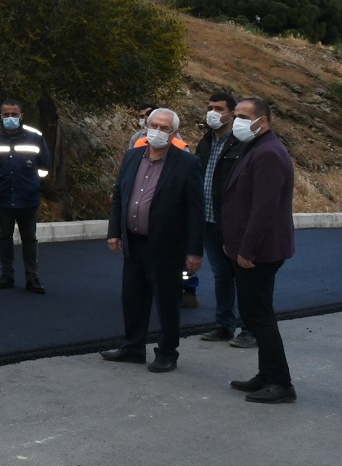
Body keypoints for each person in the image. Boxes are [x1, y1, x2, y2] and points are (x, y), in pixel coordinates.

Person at [100, 108, 205, 372]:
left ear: (174, 134)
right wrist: (114, 231)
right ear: (146, 126)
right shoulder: (133, 155)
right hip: (134, 242)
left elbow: (195, 210)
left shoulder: (187, 163)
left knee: (167, 301)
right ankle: (133, 346)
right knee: (133, 297)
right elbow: (119, 194)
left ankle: (167, 352)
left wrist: (194, 251)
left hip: (166, 245)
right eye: (154, 125)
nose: (157, 131)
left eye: (164, 128)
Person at [218, 96, 298, 404]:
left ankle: (281, 383)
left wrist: (246, 249)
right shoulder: (256, 148)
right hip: (247, 248)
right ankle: (266, 375)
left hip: (260, 252)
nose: (234, 120)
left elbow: (264, 209)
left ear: (261, 122)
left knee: (260, 316)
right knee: (255, 314)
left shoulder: (269, 154)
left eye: (241, 115)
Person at [192, 91, 255, 347]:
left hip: (231, 221)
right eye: (210, 108)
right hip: (207, 220)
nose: (213, 113)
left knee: (243, 275)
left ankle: (250, 328)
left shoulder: (243, 144)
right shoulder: (205, 142)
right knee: (221, 275)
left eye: (219, 108)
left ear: (231, 113)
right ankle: (224, 325)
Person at [0, 99, 52, 294]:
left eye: (14, 114)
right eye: (6, 115)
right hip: (2, 197)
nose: (10, 118)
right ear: (0, 117)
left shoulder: (35, 137)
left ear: (21, 116)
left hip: (28, 198)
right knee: (4, 237)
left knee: (29, 238)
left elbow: (44, 165)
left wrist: (35, 182)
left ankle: (32, 278)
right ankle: (6, 275)